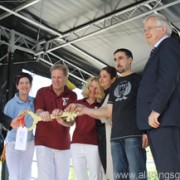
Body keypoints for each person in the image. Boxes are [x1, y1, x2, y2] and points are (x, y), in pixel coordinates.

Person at [67, 49, 148, 180]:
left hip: (134, 135)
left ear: (130, 59)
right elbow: (108, 111)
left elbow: (145, 107)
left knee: (137, 176)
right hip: (115, 138)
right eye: (115, 59)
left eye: (121, 58)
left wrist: (146, 131)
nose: (118, 62)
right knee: (119, 177)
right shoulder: (115, 84)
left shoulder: (139, 80)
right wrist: (84, 109)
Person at [137, 14, 180, 179]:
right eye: (144, 29)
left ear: (163, 29)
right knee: (168, 171)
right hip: (159, 123)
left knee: (170, 172)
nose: (146, 32)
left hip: (165, 119)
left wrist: (156, 109)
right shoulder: (159, 50)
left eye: (149, 28)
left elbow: (169, 78)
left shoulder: (168, 45)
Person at [34, 64, 77, 180]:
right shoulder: (42, 92)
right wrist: (42, 113)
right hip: (43, 143)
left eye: (59, 77)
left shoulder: (72, 95)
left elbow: (71, 122)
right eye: (53, 77)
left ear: (66, 78)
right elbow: (38, 110)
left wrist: (61, 120)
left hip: (63, 144)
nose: (56, 80)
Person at [3, 72, 35, 180]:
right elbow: (4, 127)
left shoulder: (34, 102)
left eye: (27, 83)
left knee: (26, 175)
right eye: (21, 83)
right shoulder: (10, 104)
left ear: (30, 85)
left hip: (29, 142)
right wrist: (18, 119)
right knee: (15, 176)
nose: (24, 85)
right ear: (17, 86)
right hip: (13, 143)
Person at [96, 66, 117, 180]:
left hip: (109, 136)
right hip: (102, 138)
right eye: (100, 76)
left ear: (113, 79)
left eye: (105, 76)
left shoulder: (111, 95)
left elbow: (104, 115)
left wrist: (84, 110)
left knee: (110, 171)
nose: (101, 79)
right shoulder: (104, 96)